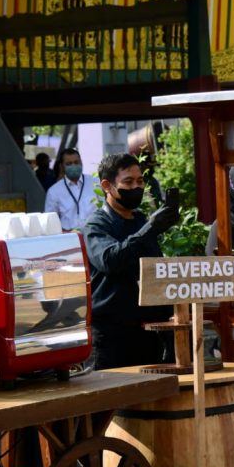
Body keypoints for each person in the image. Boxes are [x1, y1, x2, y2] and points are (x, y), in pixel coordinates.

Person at [83, 153, 179, 369]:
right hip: (112, 336)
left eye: (140, 181)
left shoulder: (141, 221)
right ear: (107, 186)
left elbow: (154, 269)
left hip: (147, 333)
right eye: (128, 182)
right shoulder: (97, 225)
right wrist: (150, 230)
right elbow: (110, 260)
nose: (136, 187)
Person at [44, 149, 97, 231]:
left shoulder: (96, 183)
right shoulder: (54, 191)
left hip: (95, 235)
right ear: (62, 166)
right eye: (69, 164)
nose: (74, 166)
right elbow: (50, 222)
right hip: (69, 238)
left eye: (76, 162)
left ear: (81, 163)